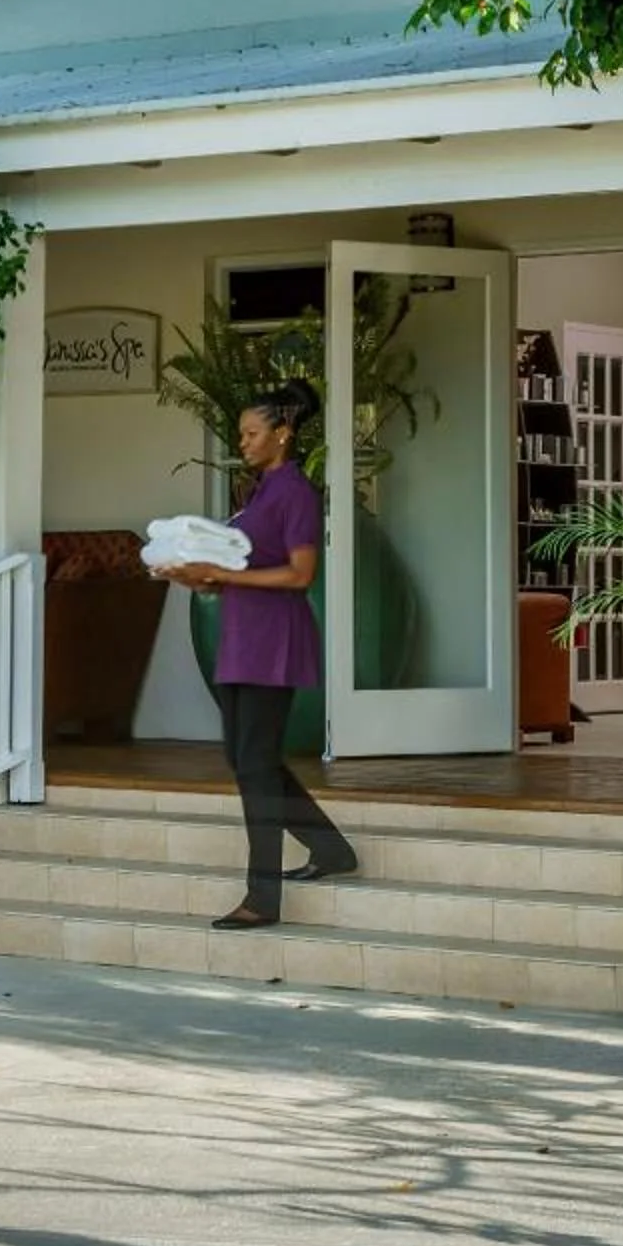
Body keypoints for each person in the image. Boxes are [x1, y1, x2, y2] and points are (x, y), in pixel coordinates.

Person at [152, 378, 357, 929]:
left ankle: (262, 898)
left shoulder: (294, 493)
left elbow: (300, 572)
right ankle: (332, 849)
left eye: (251, 433)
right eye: (241, 433)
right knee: (248, 762)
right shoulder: (259, 493)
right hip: (242, 642)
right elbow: (239, 571)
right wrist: (197, 578)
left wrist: (220, 572)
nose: (241, 442)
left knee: (256, 766)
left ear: (282, 435)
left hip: (274, 644)